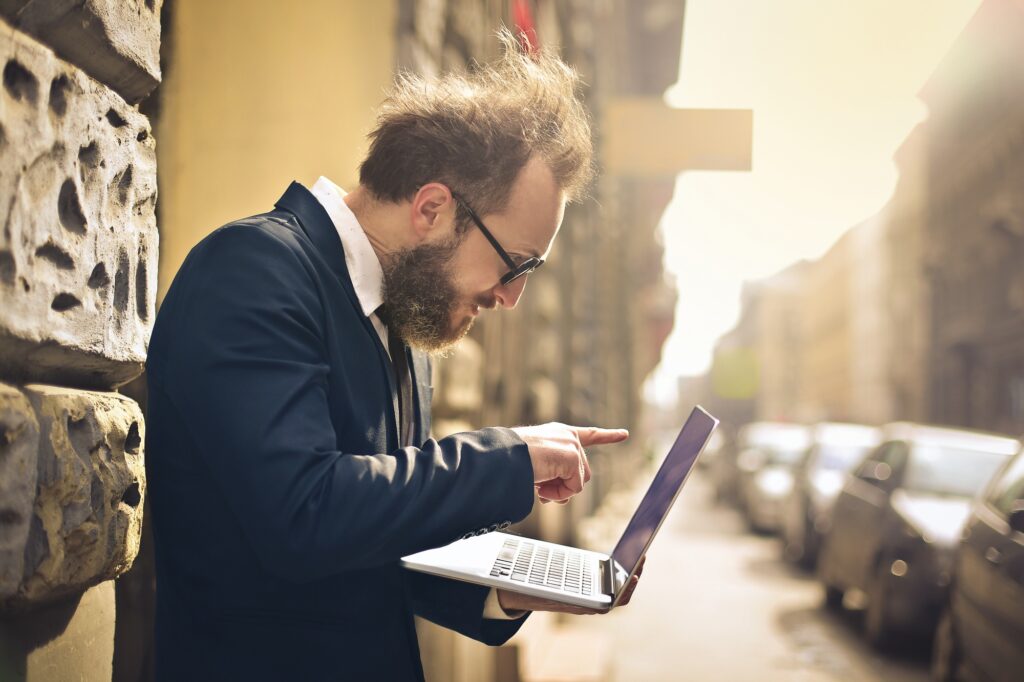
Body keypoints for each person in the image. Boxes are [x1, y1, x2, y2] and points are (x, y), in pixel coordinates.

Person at [145, 31, 642, 681]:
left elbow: (380, 546)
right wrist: (505, 459)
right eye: (515, 263)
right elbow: (305, 515)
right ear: (433, 208)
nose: (512, 297)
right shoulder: (252, 271)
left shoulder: (405, 321)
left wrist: (529, 584)